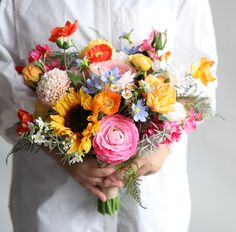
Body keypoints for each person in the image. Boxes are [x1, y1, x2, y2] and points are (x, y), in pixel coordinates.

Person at [0, 0, 217, 231]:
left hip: (151, 201)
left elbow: (199, 77)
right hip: (53, 200)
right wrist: (58, 151)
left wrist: (162, 145)